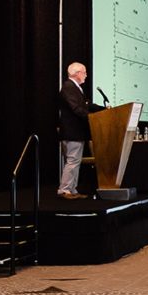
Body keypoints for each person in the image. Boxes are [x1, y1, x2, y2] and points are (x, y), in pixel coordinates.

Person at [57, 62, 106, 199]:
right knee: (72, 161)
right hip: (72, 132)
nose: (86, 75)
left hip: (76, 132)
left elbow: (86, 104)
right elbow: (76, 109)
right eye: (84, 72)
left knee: (75, 161)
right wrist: (92, 118)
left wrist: (102, 109)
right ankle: (64, 190)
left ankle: (72, 190)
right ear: (77, 73)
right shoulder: (69, 87)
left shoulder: (76, 88)